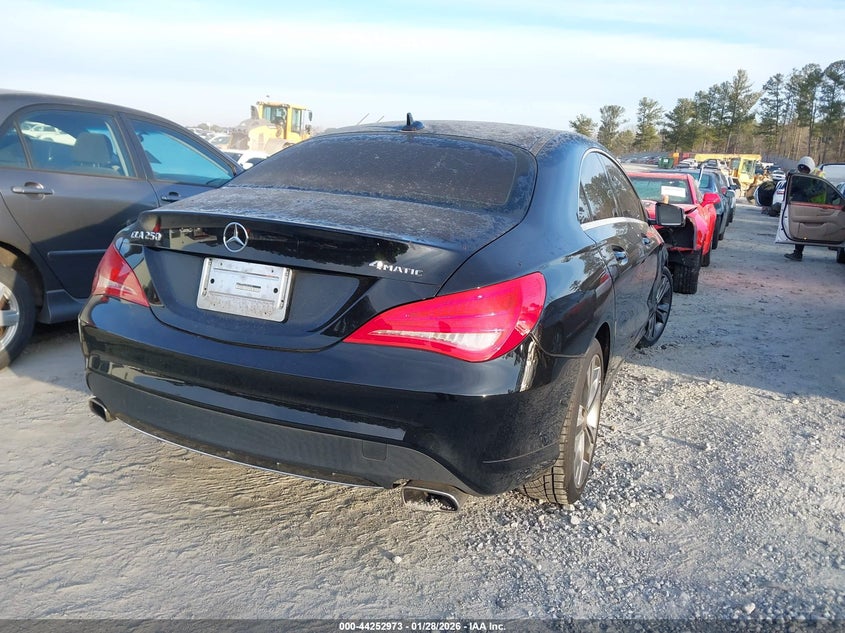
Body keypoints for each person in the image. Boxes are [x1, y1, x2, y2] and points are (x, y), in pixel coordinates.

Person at [784, 156, 827, 261]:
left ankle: (798, 253)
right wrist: (790, 179)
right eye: (801, 169)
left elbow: (818, 190)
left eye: (805, 170)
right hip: (805, 206)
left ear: (810, 168)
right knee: (801, 229)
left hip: (816, 206)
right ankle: (797, 252)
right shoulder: (802, 176)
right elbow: (792, 188)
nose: (803, 172)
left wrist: (805, 192)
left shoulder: (818, 176)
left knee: (802, 230)